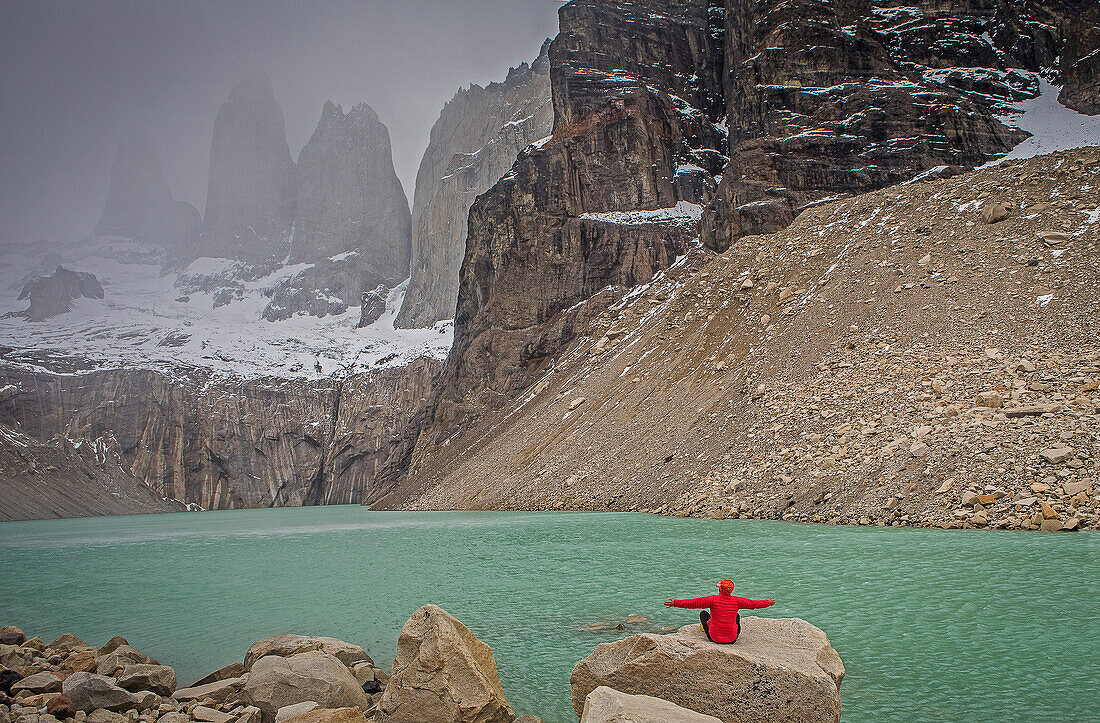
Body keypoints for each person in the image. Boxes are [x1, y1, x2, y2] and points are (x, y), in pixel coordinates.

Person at [664, 579, 775, 643]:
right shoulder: (737, 601)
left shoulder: (712, 599)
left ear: (719, 589)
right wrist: (768, 603)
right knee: (736, 615)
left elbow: (693, 603)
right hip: (732, 639)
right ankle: (727, 630)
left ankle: (705, 627)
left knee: (703, 614)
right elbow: (754, 604)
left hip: (714, 638)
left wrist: (675, 603)